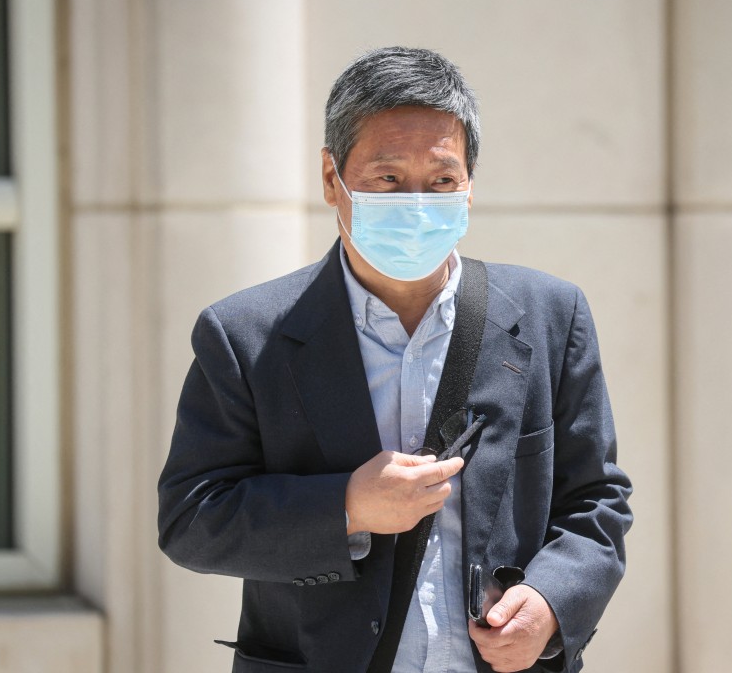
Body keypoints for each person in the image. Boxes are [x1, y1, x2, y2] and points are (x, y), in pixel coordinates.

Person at [157, 46, 632, 673]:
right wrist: (347, 506)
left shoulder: (550, 314)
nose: (416, 204)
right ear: (332, 178)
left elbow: (598, 500)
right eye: (386, 179)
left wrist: (551, 606)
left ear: (469, 186)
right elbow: (192, 518)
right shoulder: (245, 334)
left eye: (441, 181)